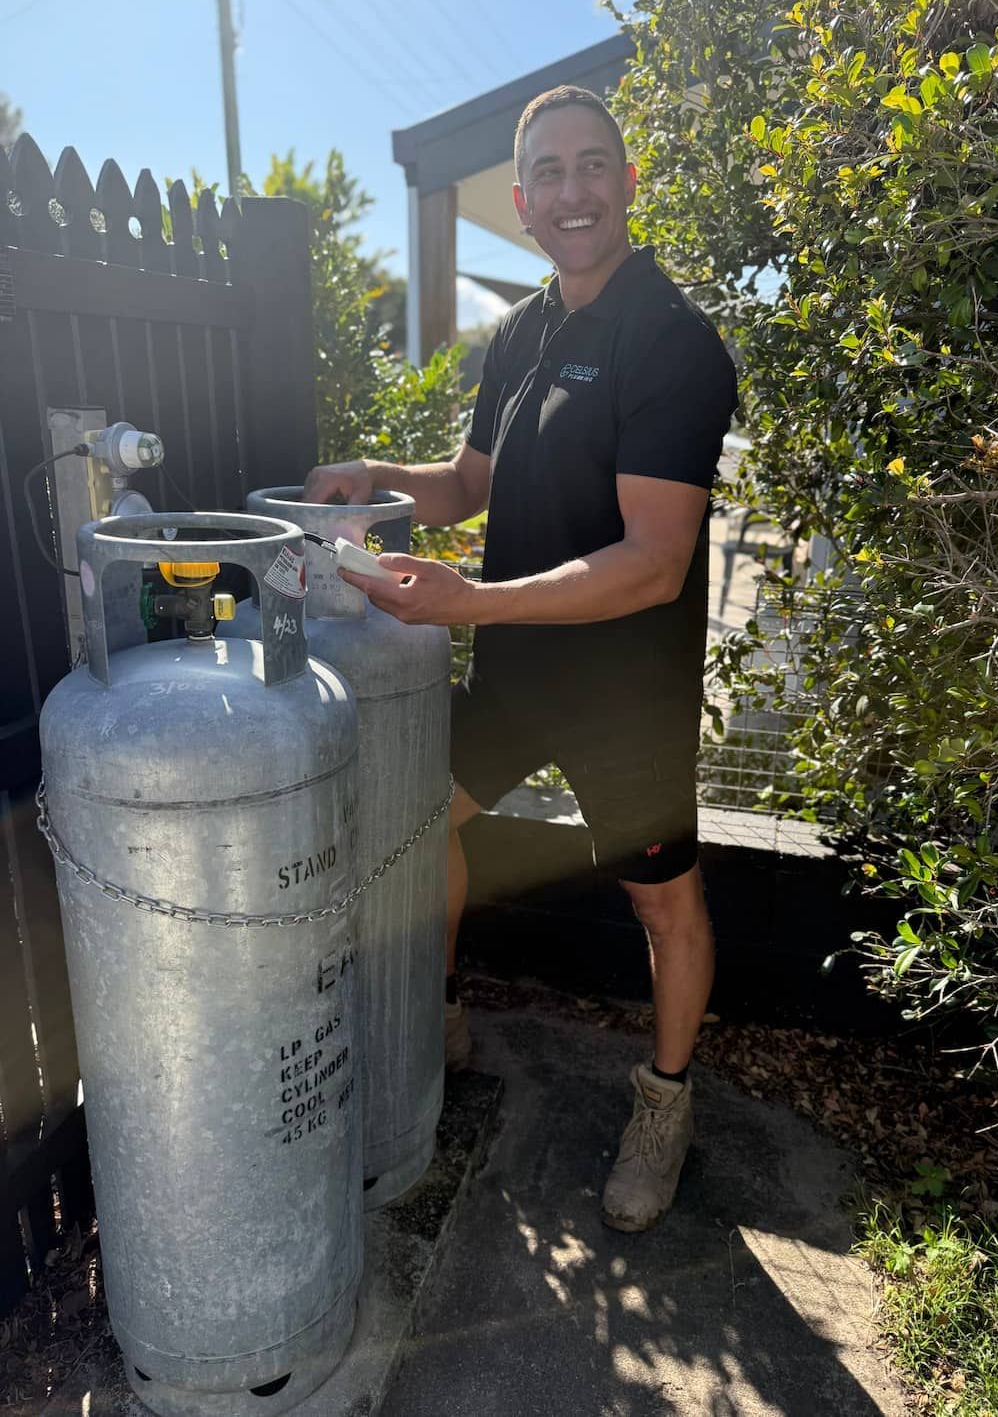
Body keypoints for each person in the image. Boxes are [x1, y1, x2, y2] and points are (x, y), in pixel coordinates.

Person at [304, 84, 738, 1233]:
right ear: (524, 198)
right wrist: (376, 478)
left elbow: (651, 563)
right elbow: (468, 485)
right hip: (515, 676)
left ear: (628, 183)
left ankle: (665, 1103)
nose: (572, 190)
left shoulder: (675, 345)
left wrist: (472, 599)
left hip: (625, 699)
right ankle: (446, 1015)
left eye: (593, 165)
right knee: (419, 827)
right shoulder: (523, 331)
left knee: (664, 910)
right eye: (548, 172)